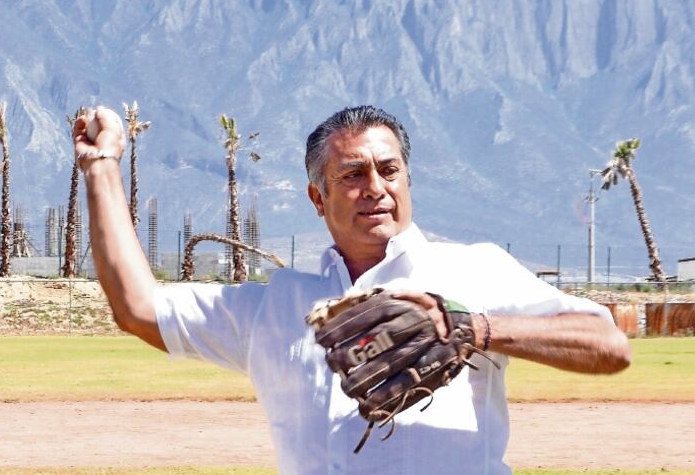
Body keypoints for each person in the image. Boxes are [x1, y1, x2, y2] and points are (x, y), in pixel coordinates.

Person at [75, 104, 631, 475]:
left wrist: (474, 329)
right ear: (318, 198)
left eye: (389, 171)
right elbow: (139, 306)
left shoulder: (473, 272)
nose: (376, 189)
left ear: (408, 179)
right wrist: (101, 168)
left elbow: (608, 345)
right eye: (352, 175)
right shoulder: (280, 306)